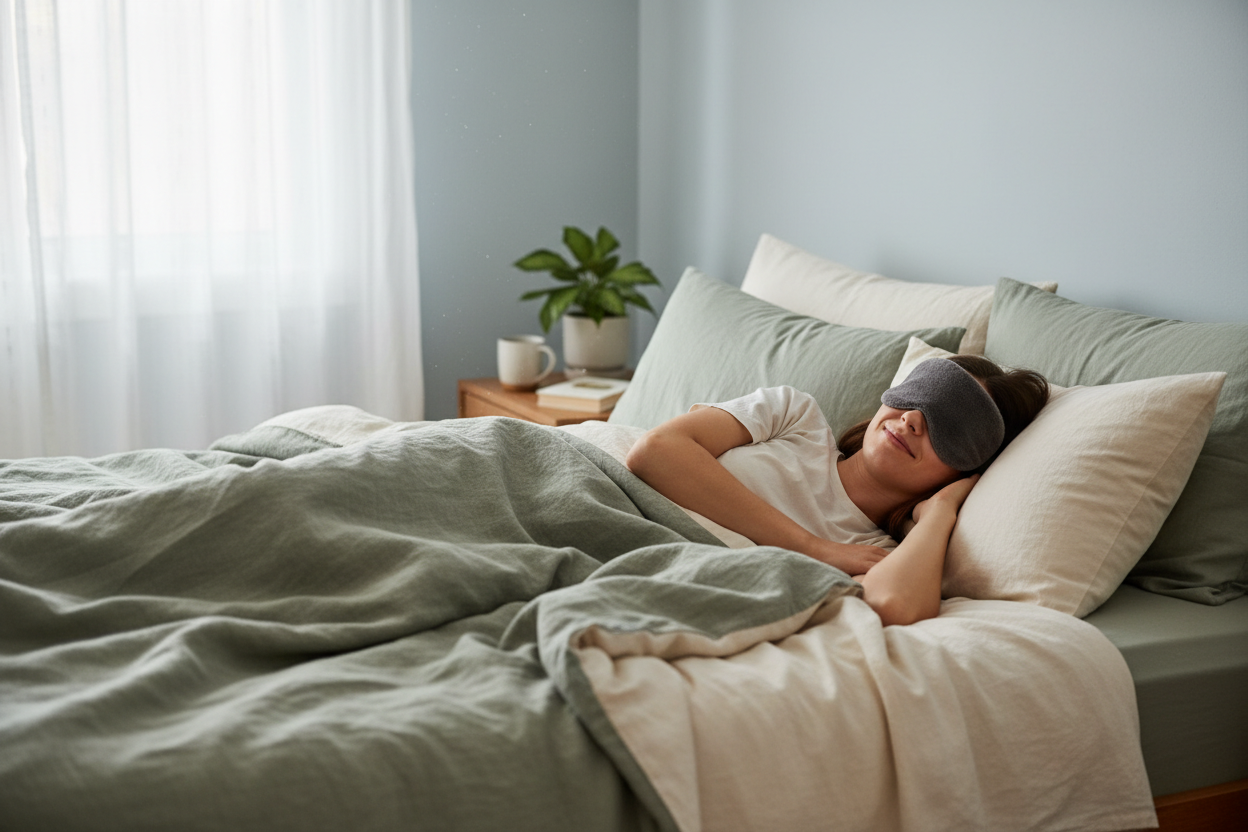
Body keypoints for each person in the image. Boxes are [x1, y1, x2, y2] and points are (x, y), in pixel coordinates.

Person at [625, 356, 1049, 627]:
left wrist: (940, 513)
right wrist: (812, 547)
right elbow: (655, 452)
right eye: (921, 395)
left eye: (953, 429)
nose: (914, 420)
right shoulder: (794, 416)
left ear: (966, 472)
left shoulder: (875, 552)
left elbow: (894, 605)